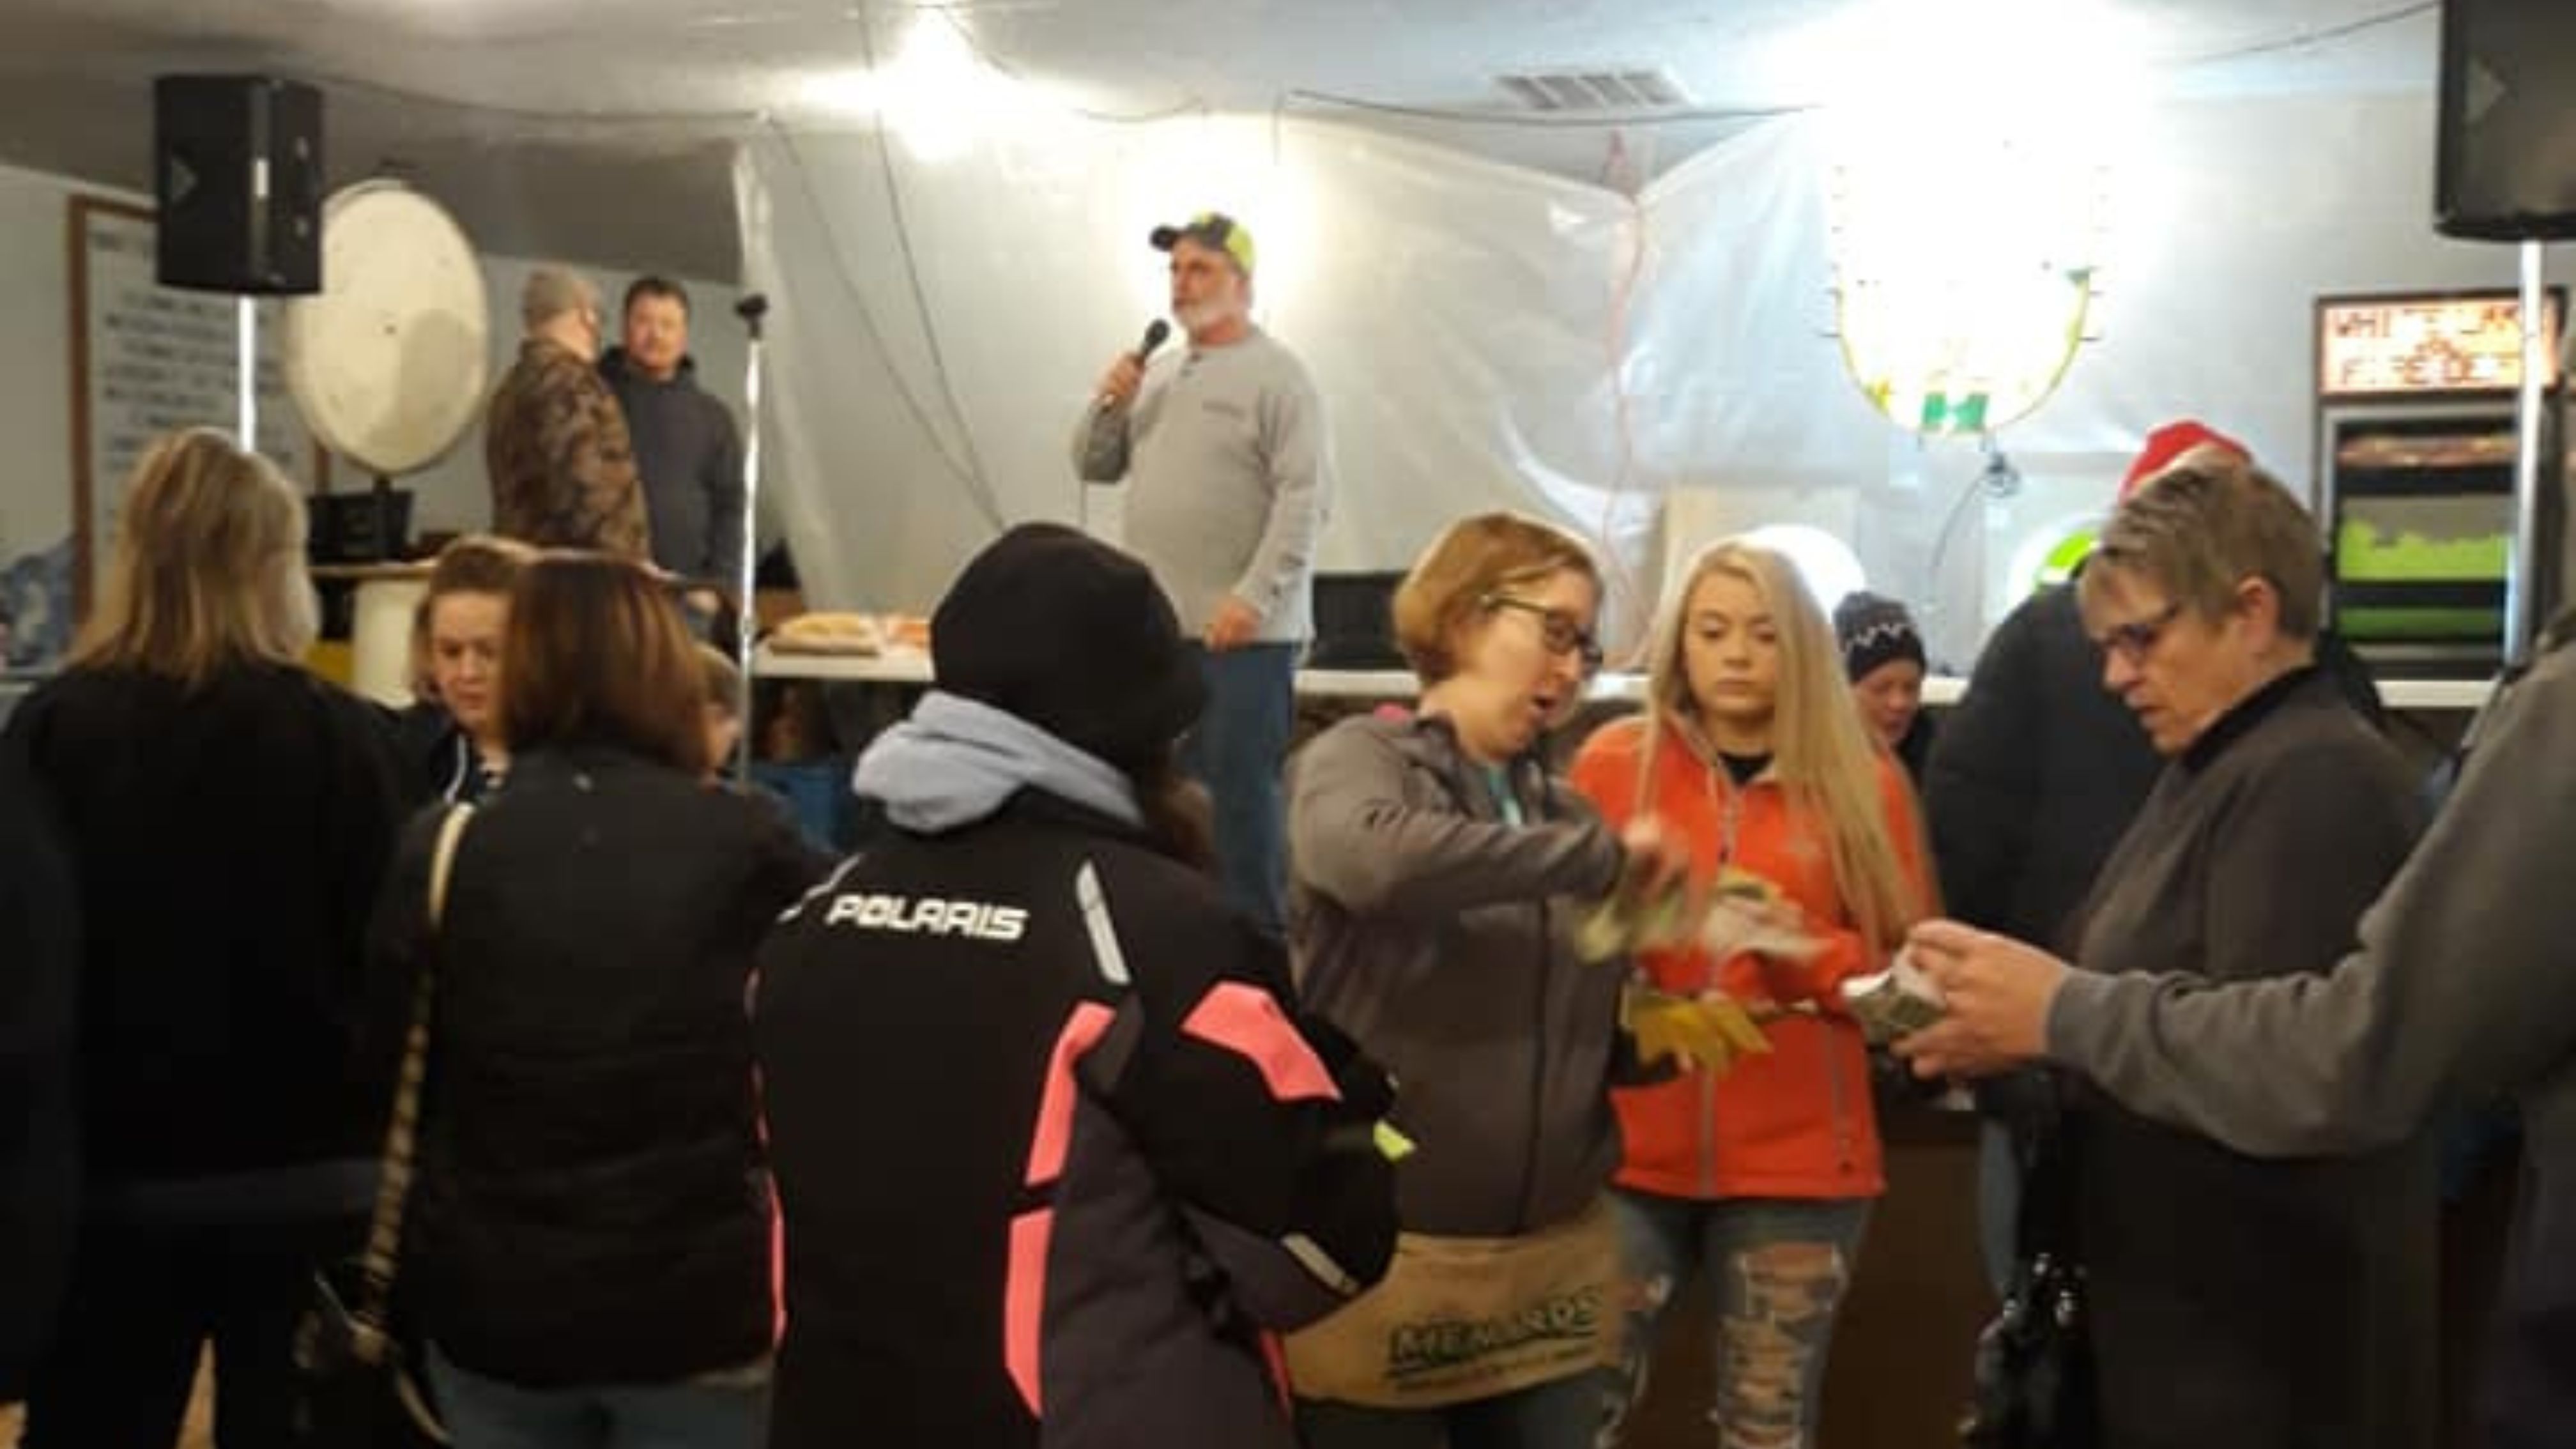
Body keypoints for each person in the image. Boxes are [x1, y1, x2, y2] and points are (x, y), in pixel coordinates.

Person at [752, 523, 1398, 1449]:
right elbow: (1317, 1254)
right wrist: (1365, 1117)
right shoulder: (1153, 930)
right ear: (1152, 729)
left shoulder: (816, 910)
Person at [1901, 590, 2576, 1449]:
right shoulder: (2215, 767)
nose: (2115, 674)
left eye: (2143, 638)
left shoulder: (2323, 774)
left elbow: (2356, 1057)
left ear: (2249, 612)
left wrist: (2063, 1016)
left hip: (2254, 1317)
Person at [3, 428, 407, 1448]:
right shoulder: (347, 739)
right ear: (279, 570)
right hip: (314, 1180)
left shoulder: (51, 733)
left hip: (114, 1185)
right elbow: (387, 959)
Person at [373, 554, 820, 1449]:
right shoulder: (747, 843)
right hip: (697, 1304)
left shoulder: (448, 848)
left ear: (525, 670)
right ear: (663, 669)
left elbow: (379, 1058)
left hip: (496, 1303)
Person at [1285, 511, 1688, 1449]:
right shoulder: (1356, 762)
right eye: (1553, 630)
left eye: (1585, 646)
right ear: (1465, 616)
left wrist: (1669, 1031)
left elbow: (1589, 1026)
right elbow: (1375, 864)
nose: (1571, 666)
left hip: (1547, 1279)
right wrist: (1582, 862)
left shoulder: (1569, 814)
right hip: (1385, 1265)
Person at [1571, 540, 1931, 1449]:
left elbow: (1913, 994)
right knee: (1575, 1412)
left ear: (1802, 648)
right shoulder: (1613, 765)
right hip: (1625, 1151)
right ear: (1679, 644)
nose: (1735, 654)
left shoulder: (1867, 781)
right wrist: (1632, 929)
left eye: (1764, 635)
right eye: (1713, 630)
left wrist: (1796, 948)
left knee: (1767, 1426)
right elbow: (1558, 951)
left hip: (1802, 1164)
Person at [1921, 420, 2227, 1294]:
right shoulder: (2316, 706)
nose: (2122, 675)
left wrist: (1990, 994)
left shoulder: (2040, 638)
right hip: (2168, 1092)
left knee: (2041, 1323)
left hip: (2054, 1064)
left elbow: (1965, 831)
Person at [1073, 211, 1330, 935]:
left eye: (1202, 269)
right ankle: (1176, 941)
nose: (1183, 284)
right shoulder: (1154, 377)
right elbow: (1094, 465)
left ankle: (1256, 953)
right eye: (1176, 270)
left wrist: (1253, 597)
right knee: (1162, 793)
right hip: (1160, 636)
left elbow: (1306, 498)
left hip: (1242, 639)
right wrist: (1109, 401)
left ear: (1242, 284)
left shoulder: (1280, 378)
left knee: (1236, 801)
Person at [486, 266, 652, 559]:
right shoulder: (570, 381)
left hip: (525, 578)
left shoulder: (509, 389)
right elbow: (585, 489)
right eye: (600, 317)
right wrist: (630, 572)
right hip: (580, 586)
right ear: (586, 315)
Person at [601, 276, 746, 589]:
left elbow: (731, 508)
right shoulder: (591, 401)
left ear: (684, 336)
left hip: (687, 596)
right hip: (604, 594)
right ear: (624, 328)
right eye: (644, 321)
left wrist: (718, 590)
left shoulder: (714, 418)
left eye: (668, 324)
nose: (656, 335)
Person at [388, 534, 531, 805]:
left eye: (490, 652)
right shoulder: (397, 750)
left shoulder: (590, 760)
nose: (468, 673)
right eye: (451, 652)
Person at [1832, 589, 1936, 782]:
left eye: (1911, 688)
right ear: (1841, 690)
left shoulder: (1937, 763)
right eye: (1880, 689)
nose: (1899, 703)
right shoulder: (1806, 764)